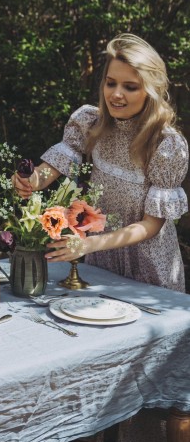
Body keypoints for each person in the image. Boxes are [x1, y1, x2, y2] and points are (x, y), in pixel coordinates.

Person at [14, 33, 189, 293]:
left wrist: (89, 245)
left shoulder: (165, 144)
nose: (116, 94)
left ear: (150, 91)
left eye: (130, 87)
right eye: (110, 83)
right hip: (101, 258)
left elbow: (152, 225)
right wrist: (30, 181)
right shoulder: (91, 122)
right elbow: (59, 161)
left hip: (148, 263)